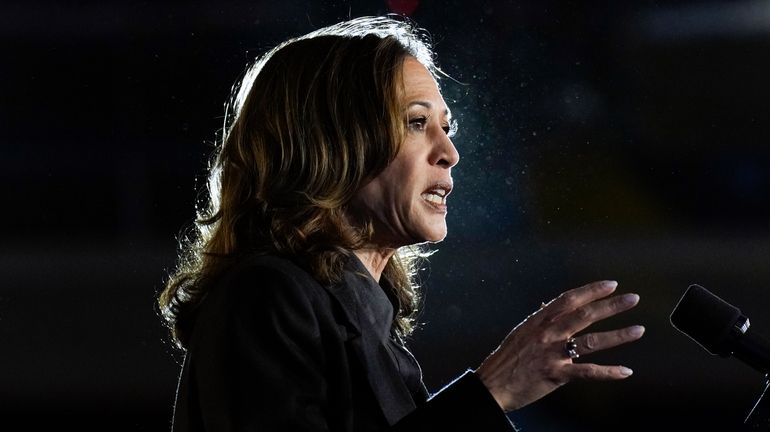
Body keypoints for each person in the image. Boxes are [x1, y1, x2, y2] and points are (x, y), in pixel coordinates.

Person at [158, 15, 645, 431]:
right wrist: (490, 392)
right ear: (333, 142)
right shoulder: (266, 295)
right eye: (416, 123)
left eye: (446, 127)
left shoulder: (364, 317)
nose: (450, 153)